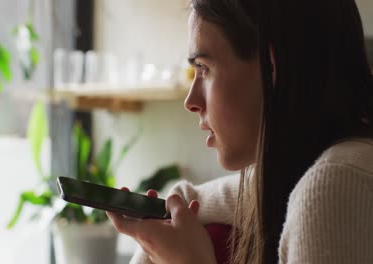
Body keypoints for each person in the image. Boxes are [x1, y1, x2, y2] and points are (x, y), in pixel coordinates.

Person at [106, 0, 373, 263]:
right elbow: (190, 200)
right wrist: (163, 218)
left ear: (270, 69)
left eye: (204, 68)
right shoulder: (308, 167)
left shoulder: (335, 185)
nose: (191, 101)